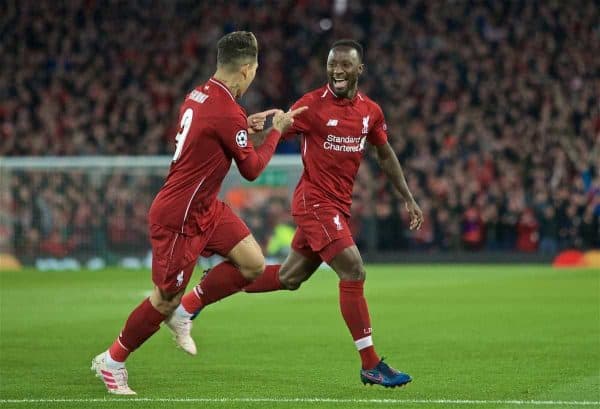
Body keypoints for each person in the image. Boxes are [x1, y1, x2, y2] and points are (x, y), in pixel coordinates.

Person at [170, 39, 424, 388]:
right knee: (354, 269)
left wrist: (408, 197)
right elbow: (278, 126)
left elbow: (384, 153)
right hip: (314, 203)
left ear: (359, 70)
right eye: (332, 64)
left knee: (290, 278)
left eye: (345, 65)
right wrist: (253, 127)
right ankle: (371, 363)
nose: (337, 70)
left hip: (337, 206)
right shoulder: (312, 105)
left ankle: (204, 292)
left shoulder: (371, 112)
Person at [90, 31, 306, 395]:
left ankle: (187, 309)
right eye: (255, 70)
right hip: (179, 218)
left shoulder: (200, 94)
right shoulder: (226, 110)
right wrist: (275, 133)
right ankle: (112, 361)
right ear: (246, 69)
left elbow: (211, 134)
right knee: (163, 297)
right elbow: (252, 169)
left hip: (205, 206)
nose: (254, 76)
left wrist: (243, 125)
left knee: (252, 263)